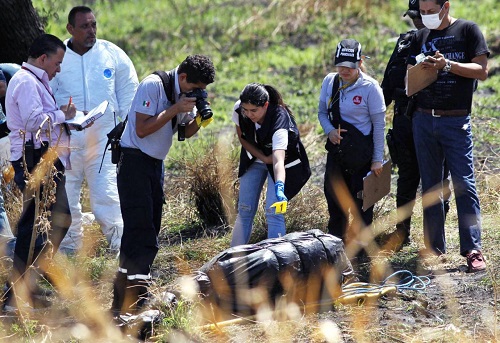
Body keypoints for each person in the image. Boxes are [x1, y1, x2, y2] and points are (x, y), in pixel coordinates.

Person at [111, 54, 216, 316]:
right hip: (134, 161)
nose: (198, 92)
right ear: (183, 78)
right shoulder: (153, 85)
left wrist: (200, 119)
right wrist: (174, 109)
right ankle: (136, 295)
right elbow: (143, 128)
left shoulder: (183, 94)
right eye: (196, 88)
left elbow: (183, 133)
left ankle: (123, 294)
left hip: (154, 164)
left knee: (147, 227)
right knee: (142, 230)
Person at [406, 0, 488, 272]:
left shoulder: (467, 30)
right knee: (431, 187)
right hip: (424, 118)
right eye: (424, 12)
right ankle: (434, 250)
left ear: (446, 6)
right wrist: (420, 71)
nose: (427, 16)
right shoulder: (421, 36)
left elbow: (482, 71)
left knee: (464, 183)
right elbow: (410, 76)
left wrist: (448, 65)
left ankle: (473, 249)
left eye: (432, 11)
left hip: (455, 121)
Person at [50, 6, 139, 255]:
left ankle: (119, 244)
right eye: (84, 26)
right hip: (66, 138)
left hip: (103, 138)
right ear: (70, 29)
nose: (91, 31)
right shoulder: (59, 56)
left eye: (93, 25)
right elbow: (46, 93)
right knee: (67, 195)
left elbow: (129, 92)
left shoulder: (111, 53)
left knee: (106, 193)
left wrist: (127, 127)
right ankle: (69, 249)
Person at [2, 34, 76, 312]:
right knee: (34, 231)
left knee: (54, 223)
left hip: (45, 160)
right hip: (34, 162)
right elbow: (35, 121)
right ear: (43, 59)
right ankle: (15, 297)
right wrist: (63, 115)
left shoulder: (33, 81)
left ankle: (24, 287)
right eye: (57, 62)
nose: (58, 68)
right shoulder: (25, 81)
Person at [381, 0, 451, 249]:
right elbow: (386, 87)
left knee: (437, 181)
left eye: (422, 14)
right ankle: (402, 233)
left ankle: (435, 239)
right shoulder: (404, 44)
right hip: (405, 122)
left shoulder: (449, 42)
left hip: (434, 121)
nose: (418, 20)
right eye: (414, 16)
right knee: (407, 179)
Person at [319, 39, 386, 243]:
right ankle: (335, 247)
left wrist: (377, 160)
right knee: (335, 202)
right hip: (338, 154)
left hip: (362, 156)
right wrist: (330, 131)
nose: (344, 70)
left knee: (361, 207)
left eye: (349, 66)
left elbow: (379, 126)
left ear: (359, 63)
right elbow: (322, 113)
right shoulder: (330, 82)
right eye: (340, 65)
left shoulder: (370, 88)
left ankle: (362, 252)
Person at [230, 83, 311, 247]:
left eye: (254, 111)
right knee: (244, 210)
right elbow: (243, 138)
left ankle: (277, 262)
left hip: (282, 164)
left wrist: (280, 186)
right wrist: (263, 158)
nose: (249, 114)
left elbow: (278, 160)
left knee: (274, 212)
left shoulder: (279, 120)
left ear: (265, 105)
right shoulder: (239, 109)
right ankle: (233, 259)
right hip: (254, 159)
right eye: (246, 110)